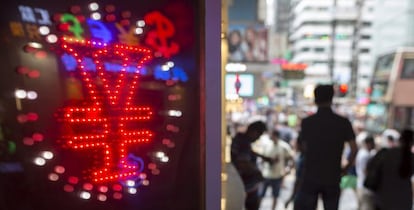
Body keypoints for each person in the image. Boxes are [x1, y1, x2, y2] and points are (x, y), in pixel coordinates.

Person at [293, 84, 358, 210]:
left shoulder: (307, 122)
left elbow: (301, 147)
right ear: (332, 98)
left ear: (315, 99)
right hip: (332, 176)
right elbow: (354, 149)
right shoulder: (343, 122)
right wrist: (345, 169)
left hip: (310, 175)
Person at [369, 129, 414, 210]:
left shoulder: (385, 154)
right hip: (404, 202)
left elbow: (370, 169)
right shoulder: (412, 158)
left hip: (382, 200)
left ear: (400, 139)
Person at [230, 120, 269, 210]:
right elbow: (242, 163)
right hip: (247, 186)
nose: (258, 138)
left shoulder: (240, 138)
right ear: (253, 131)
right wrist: (258, 173)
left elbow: (246, 153)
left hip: (243, 184)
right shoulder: (244, 143)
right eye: (259, 135)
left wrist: (262, 156)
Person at [257, 129, 294, 210]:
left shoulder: (284, 146)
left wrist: (288, 169)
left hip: (277, 175)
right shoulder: (267, 145)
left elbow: (291, 158)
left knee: (275, 196)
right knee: (260, 195)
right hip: (266, 174)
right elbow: (262, 158)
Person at [355, 135, 376, 210]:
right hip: (364, 187)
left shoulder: (363, 153)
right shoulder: (365, 155)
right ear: (369, 143)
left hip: (361, 185)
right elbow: (365, 171)